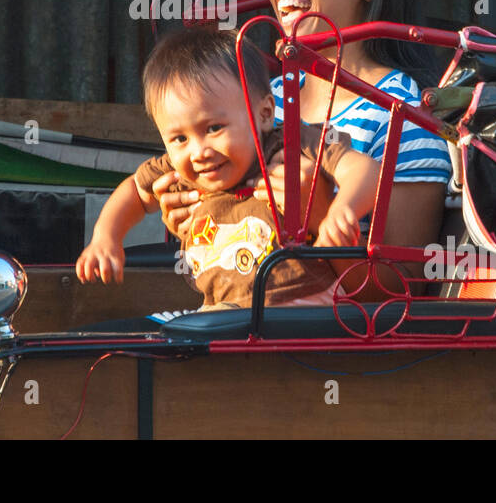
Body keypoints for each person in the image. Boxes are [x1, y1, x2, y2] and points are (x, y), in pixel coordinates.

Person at [153, 0, 452, 270]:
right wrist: (197, 214)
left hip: (320, 328)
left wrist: (322, 213)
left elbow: (399, 286)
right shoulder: (260, 98)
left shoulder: (406, 115)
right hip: (238, 312)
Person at [74, 26, 384, 309]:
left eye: (213, 128)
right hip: (225, 310)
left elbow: (365, 170)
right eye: (179, 138)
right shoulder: (180, 173)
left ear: (264, 114)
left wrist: (340, 210)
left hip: (307, 303)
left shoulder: (290, 143)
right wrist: (106, 237)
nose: (199, 151)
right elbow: (134, 191)